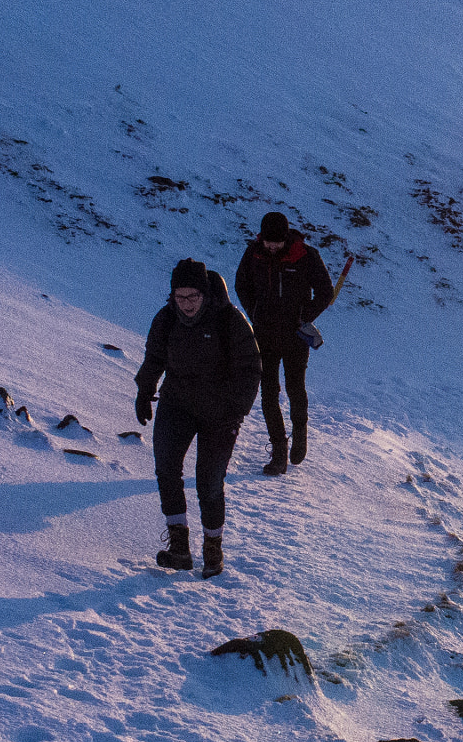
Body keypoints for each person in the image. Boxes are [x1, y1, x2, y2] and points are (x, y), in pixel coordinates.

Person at [135, 258, 261, 575]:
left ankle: (212, 549)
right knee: (166, 467)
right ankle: (179, 548)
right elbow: (154, 357)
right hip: (177, 403)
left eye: (193, 296)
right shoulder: (166, 320)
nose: (187, 304)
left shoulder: (230, 321)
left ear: (204, 294)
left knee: (209, 482)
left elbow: (251, 369)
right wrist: (144, 390)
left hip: (221, 413)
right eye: (180, 297)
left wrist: (235, 410)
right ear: (172, 296)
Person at [234, 211, 336, 476]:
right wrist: (253, 312)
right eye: (268, 241)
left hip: (294, 336)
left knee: (295, 388)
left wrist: (305, 316)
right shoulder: (253, 254)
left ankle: (299, 430)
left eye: (276, 242)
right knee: (268, 394)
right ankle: (279, 451)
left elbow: (326, 290)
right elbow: (240, 284)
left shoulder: (305, 256)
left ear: (285, 239)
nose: (271, 246)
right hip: (264, 335)